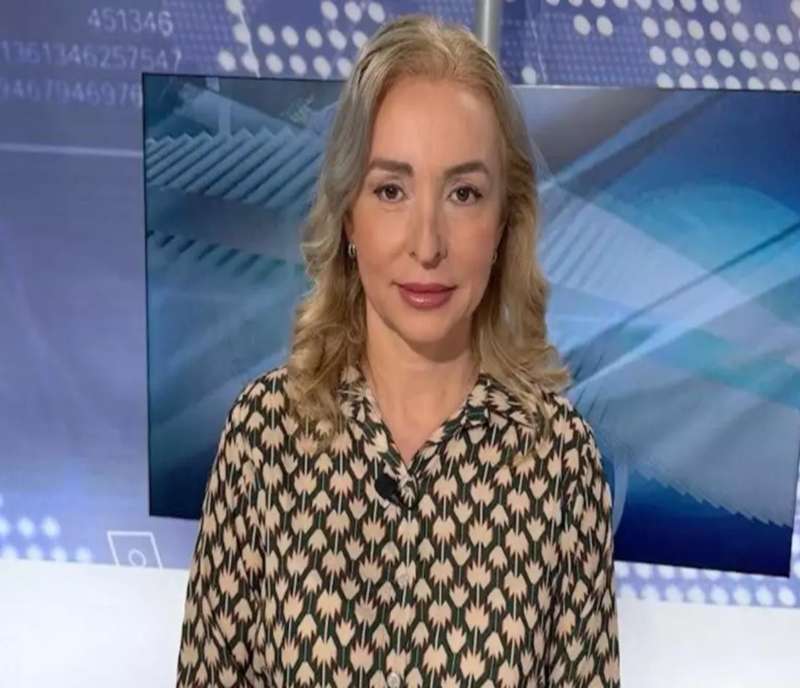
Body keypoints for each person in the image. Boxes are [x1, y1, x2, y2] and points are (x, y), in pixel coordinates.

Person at [176, 13, 619, 688]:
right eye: (391, 190)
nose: (427, 243)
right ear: (348, 213)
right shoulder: (263, 437)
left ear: (504, 222)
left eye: (464, 193)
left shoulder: (560, 461)